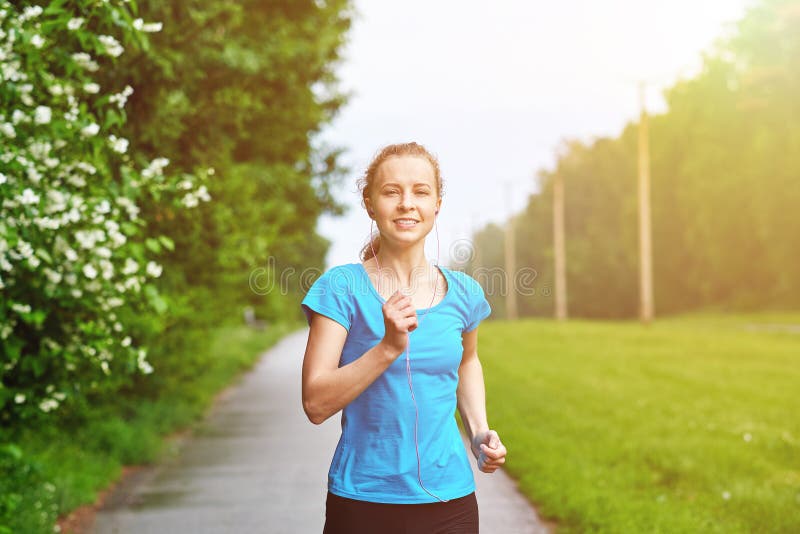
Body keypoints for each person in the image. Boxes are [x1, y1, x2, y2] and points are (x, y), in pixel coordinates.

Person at [300, 142, 507, 534]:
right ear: (370, 204)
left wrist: (480, 431)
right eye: (391, 191)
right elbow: (315, 402)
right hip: (363, 501)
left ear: (437, 204)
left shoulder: (464, 292)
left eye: (420, 191)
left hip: (452, 502)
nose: (406, 203)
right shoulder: (341, 288)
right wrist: (388, 348)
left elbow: (467, 361)